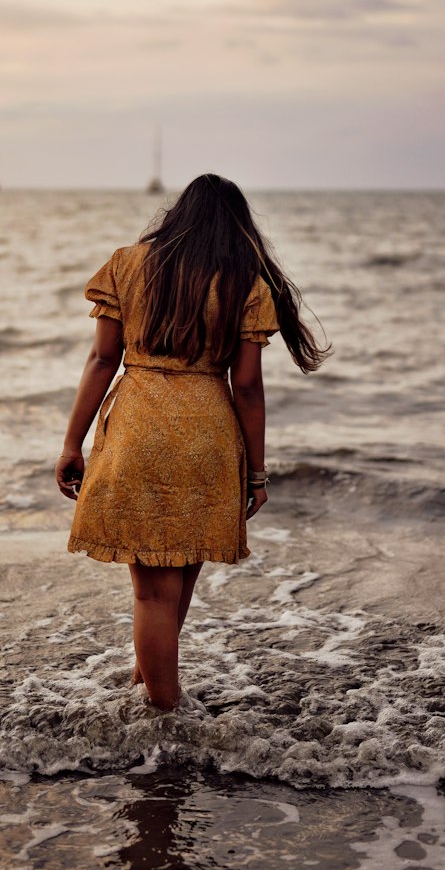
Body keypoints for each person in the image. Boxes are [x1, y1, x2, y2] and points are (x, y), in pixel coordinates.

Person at [55, 173, 332, 712]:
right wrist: (256, 472)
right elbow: (247, 387)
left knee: (151, 590)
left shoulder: (127, 263)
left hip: (139, 425)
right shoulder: (243, 284)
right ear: (236, 228)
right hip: (208, 433)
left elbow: (102, 360)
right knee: (177, 580)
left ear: (178, 214)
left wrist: (72, 442)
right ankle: (154, 699)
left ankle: (162, 714)